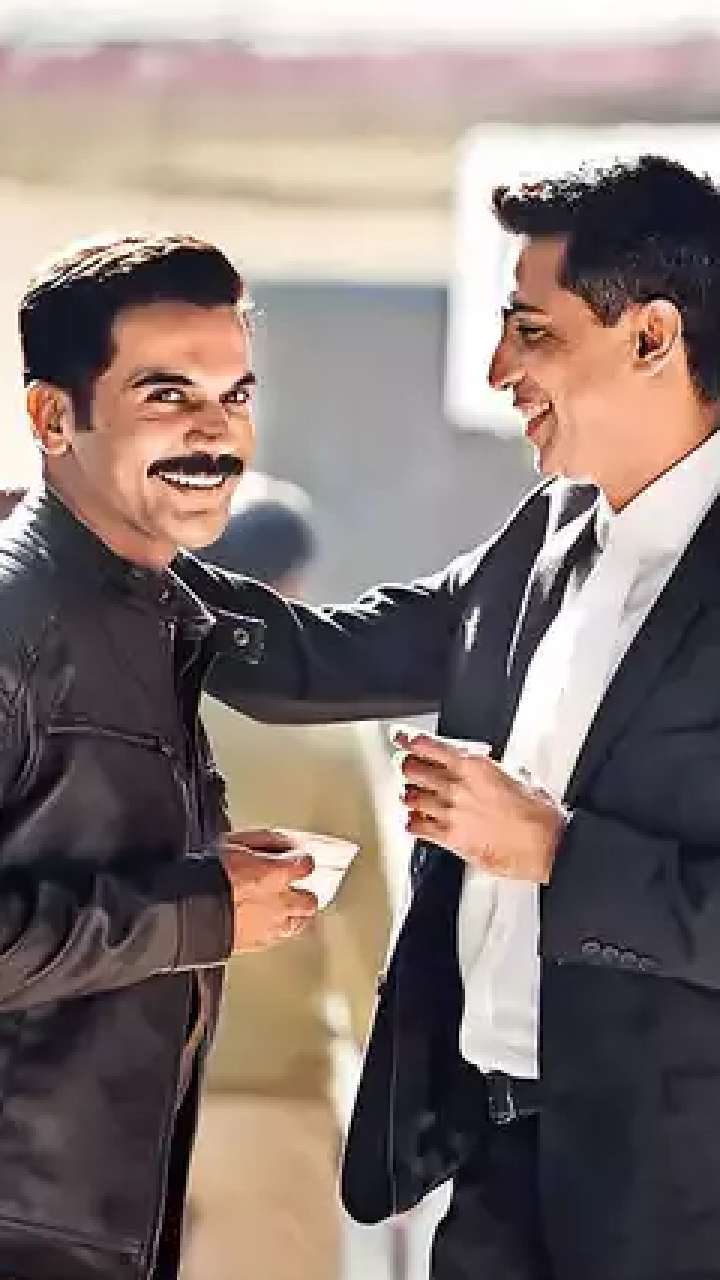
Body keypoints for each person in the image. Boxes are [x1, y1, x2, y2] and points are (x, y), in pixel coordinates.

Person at [182, 155, 720, 1280]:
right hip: (495, 1171)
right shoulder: (546, 538)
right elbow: (315, 656)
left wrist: (555, 850)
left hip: (680, 1201)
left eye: (532, 331)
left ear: (654, 335)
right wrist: (109, 553)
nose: (498, 370)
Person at [0, 234, 318, 1280]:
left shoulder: (151, 617)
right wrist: (199, 910)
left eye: (234, 395)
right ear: (53, 417)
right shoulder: (15, 623)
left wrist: (206, 879)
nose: (213, 431)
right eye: (167, 394)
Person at [182, 476, 392, 1280]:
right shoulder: (323, 729)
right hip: (270, 1105)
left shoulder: (111, 704)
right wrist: (397, 1118)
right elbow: (370, 939)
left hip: (108, 1104)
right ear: (292, 589)